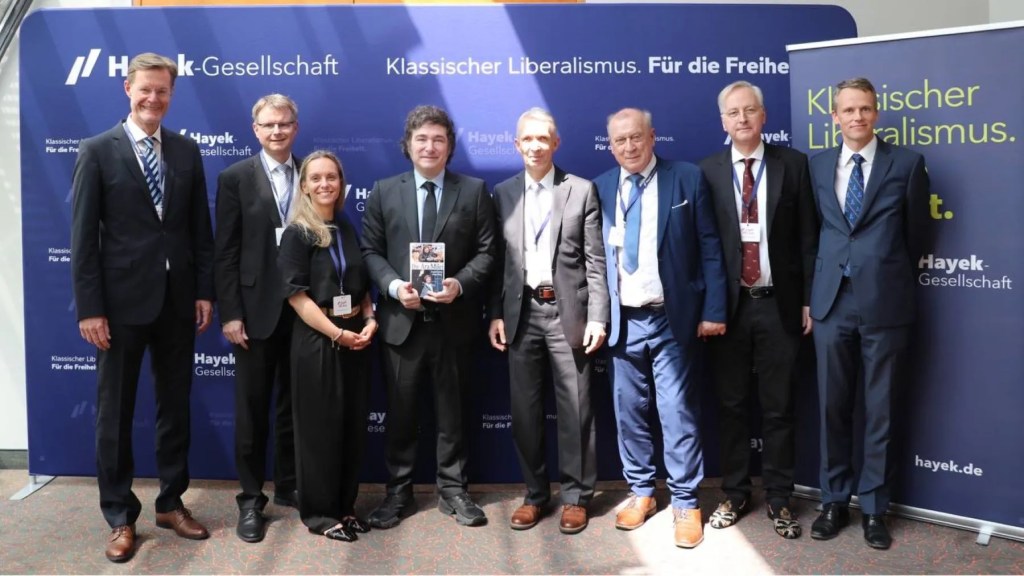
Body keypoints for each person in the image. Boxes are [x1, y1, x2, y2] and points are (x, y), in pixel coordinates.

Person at [70, 52, 214, 563]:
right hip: (119, 306)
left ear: (172, 94)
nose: (154, 98)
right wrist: (90, 308)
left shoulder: (186, 151)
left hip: (177, 302)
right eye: (145, 89)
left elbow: (199, 229)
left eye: (163, 90)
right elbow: (83, 237)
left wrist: (203, 291)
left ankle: (171, 503)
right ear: (128, 89)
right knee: (114, 414)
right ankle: (119, 516)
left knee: (175, 407)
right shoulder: (96, 151)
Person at [593, 108, 727, 549]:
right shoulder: (601, 187)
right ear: (610, 145)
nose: (629, 147)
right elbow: (595, 259)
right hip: (623, 320)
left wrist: (713, 308)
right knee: (627, 411)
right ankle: (642, 492)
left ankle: (686, 502)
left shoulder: (685, 178)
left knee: (677, 411)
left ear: (652, 137)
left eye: (636, 137)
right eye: (620, 140)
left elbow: (710, 247)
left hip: (673, 317)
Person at [360, 105, 497, 528]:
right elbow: (371, 251)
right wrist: (393, 287)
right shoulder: (384, 191)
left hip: (454, 325)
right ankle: (398, 494)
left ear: (449, 146)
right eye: (421, 139)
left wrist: (459, 284)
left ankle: (453, 491)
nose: (430, 146)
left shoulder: (473, 191)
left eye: (438, 139)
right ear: (408, 145)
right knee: (401, 415)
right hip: (401, 326)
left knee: (453, 415)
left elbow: (488, 252)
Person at [808, 77, 929, 550]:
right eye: (848, 110)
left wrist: (882, 269)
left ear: (876, 113)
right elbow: (815, 232)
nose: (857, 117)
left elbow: (918, 234)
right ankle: (834, 501)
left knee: (881, 410)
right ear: (834, 116)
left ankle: (875, 509)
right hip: (831, 302)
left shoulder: (908, 163)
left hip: (886, 301)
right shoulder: (818, 165)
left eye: (864, 108)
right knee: (831, 407)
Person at [699, 81, 818, 539]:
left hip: (778, 304)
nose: (743, 119)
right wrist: (707, 307)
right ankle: (734, 492)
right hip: (727, 309)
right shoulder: (707, 171)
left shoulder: (794, 164)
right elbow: (702, 247)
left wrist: (808, 298)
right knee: (730, 405)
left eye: (750, 111)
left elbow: (808, 237)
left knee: (779, 406)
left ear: (764, 116)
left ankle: (780, 497)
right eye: (733, 113)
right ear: (723, 121)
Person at [487, 108, 609, 535]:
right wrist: (496, 313)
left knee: (576, 410)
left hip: (568, 314)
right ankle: (535, 495)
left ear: (556, 143)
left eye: (543, 139)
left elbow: (596, 262)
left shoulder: (581, 190)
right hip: (521, 316)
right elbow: (498, 263)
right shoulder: (503, 193)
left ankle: (576, 498)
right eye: (528, 139)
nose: (535, 146)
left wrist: (598, 316)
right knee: (524, 412)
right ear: (516, 144)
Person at [277, 150, 377, 543]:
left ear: (341, 183)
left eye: (331, 177)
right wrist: (337, 334)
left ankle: (345, 507)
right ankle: (320, 514)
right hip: (319, 340)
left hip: (354, 336)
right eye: (316, 178)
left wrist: (369, 318)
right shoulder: (297, 233)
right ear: (304, 186)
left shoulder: (346, 225)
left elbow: (359, 282)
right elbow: (296, 298)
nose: (324, 184)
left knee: (350, 427)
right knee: (319, 431)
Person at [214, 94, 300, 543]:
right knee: (251, 411)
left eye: (284, 124)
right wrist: (230, 313)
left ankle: (289, 485)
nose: (277, 131)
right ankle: (250, 500)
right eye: (269, 125)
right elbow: (225, 251)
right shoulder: (234, 178)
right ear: (256, 130)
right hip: (252, 313)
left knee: (294, 407)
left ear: (295, 127)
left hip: (304, 313)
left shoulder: (313, 172)